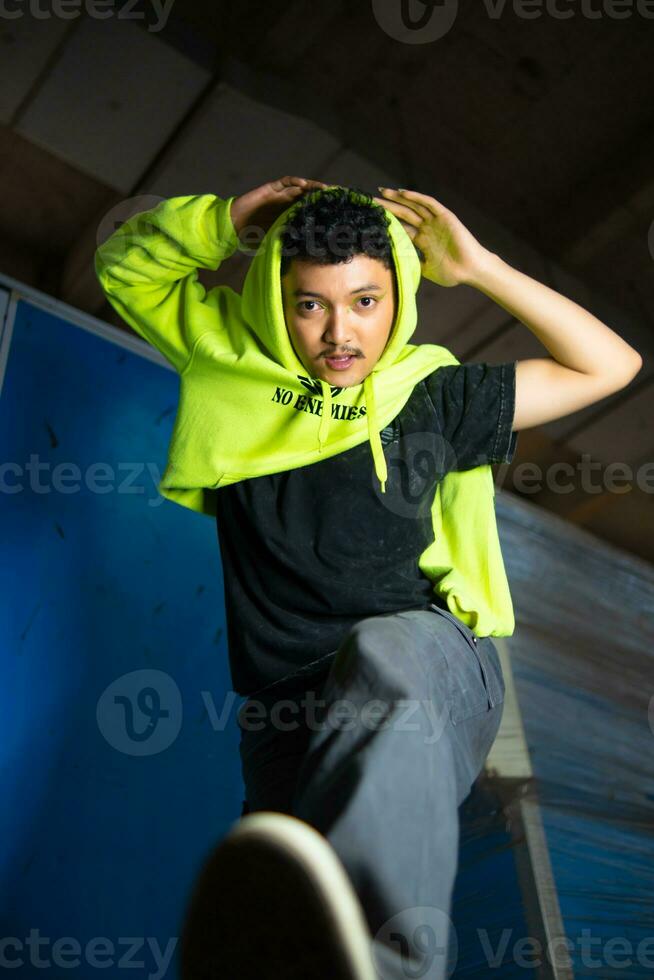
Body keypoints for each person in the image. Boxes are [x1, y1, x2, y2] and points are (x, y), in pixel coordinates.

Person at [95, 176, 642, 980]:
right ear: (278, 302)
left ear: (400, 296)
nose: (339, 332)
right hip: (288, 711)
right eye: (311, 304)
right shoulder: (225, 360)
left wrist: (483, 266)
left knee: (382, 658)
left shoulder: (433, 392)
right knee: (284, 906)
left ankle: (394, 963)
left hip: (432, 665)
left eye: (364, 301)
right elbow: (126, 268)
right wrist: (228, 221)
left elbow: (610, 365)